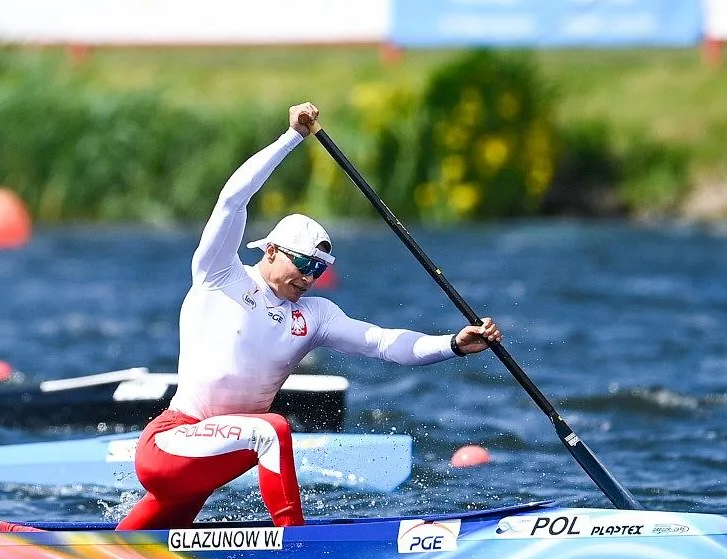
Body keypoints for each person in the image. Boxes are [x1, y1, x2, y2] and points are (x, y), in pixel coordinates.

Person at [107, 102, 503, 531]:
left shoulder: (314, 316)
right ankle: (294, 540)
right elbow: (233, 199)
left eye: (318, 268)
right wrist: (292, 137)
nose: (310, 277)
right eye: (303, 263)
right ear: (271, 251)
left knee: (127, 556)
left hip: (215, 458)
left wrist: (452, 344)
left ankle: (77, 553)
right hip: (171, 443)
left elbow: (383, 343)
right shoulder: (219, 274)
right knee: (272, 429)